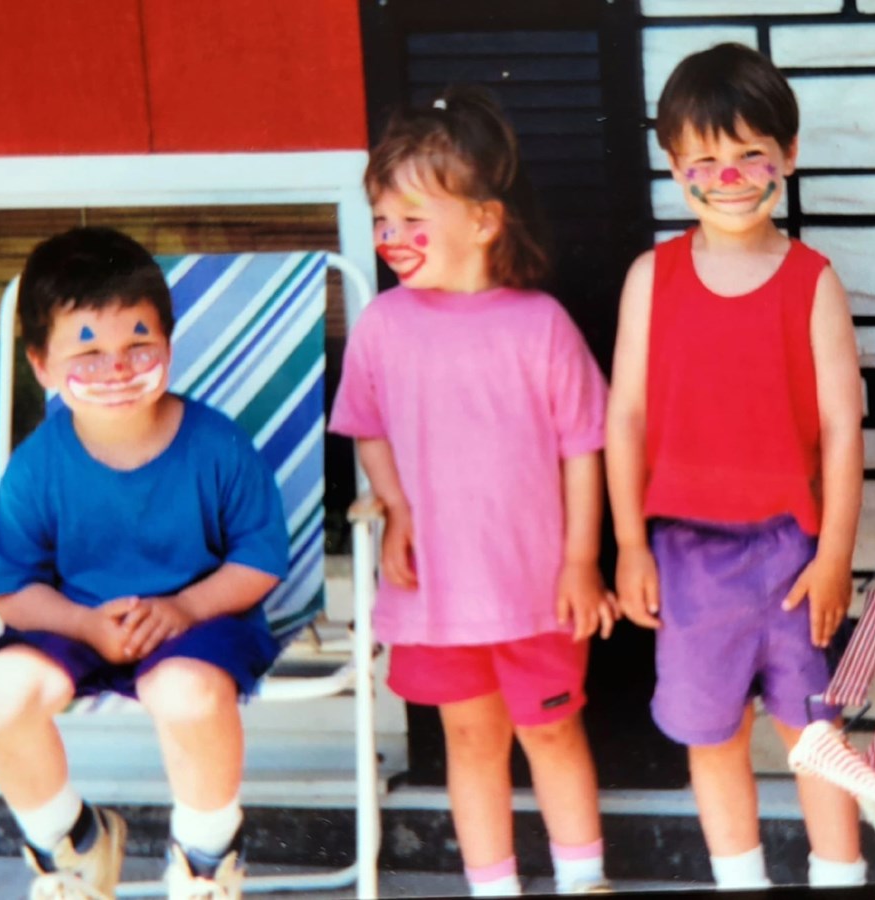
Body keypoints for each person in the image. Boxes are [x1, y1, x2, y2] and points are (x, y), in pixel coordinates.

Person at [329, 86, 617, 896]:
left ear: (484, 221)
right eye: (381, 220)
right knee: (469, 738)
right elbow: (369, 425)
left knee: (553, 733)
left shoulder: (540, 325)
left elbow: (583, 448)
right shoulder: (383, 323)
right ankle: (493, 885)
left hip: (536, 589)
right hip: (440, 592)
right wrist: (395, 510)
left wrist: (581, 561)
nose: (390, 237)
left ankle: (583, 877)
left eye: (411, 218)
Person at [605, 43, 867, 890]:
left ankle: (840, 876)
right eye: (704, 161)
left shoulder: (812, 281)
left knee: (814, 735)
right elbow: (626, 418)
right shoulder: (652, 278)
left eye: (749, 155)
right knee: (709, 735)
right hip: (684, 555)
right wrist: (629, 545)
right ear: (675, 166)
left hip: (794, 554)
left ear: (787, 157)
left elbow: (841, 427)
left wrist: (834, 557)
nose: (728, 177)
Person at [0, 226, 291, 899]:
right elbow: (13, 590)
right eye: (88, 353)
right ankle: (71, 846)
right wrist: (86, 626)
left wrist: (186, 608)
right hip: (73, 618)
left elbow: (259, 560)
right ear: (40, 366)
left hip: (200, 618)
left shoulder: (218, 446)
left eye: (138, 345)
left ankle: (206, 859)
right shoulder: (36, 467)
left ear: (169, 345)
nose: (117, 370)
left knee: (186, 694)